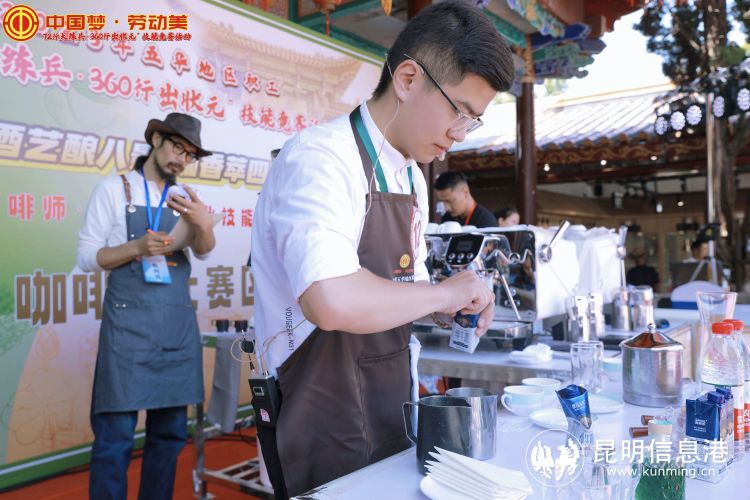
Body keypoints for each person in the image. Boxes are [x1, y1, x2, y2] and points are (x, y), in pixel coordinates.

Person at [250, 1, 513, 497]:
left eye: (473, 122)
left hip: (389, 400)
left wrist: (448, 306)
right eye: (459, 112)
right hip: (317, 409)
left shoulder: (411, 176)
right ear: (409, 79)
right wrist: (442, 293)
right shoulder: (320, 157)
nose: (458, 135)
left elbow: (406, 289)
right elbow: (330, 300)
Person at [77, 112, 216, 499]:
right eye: (177, 148)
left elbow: (204, 252)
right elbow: (87, 257)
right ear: (156, 140)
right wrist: (137, 247)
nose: (181, 159)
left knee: (169, 436)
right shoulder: (114, 189)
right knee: (115, 439)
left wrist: (204, 224)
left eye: (189, 155)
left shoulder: (184, 198)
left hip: (175, 327)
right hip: (128, 329)